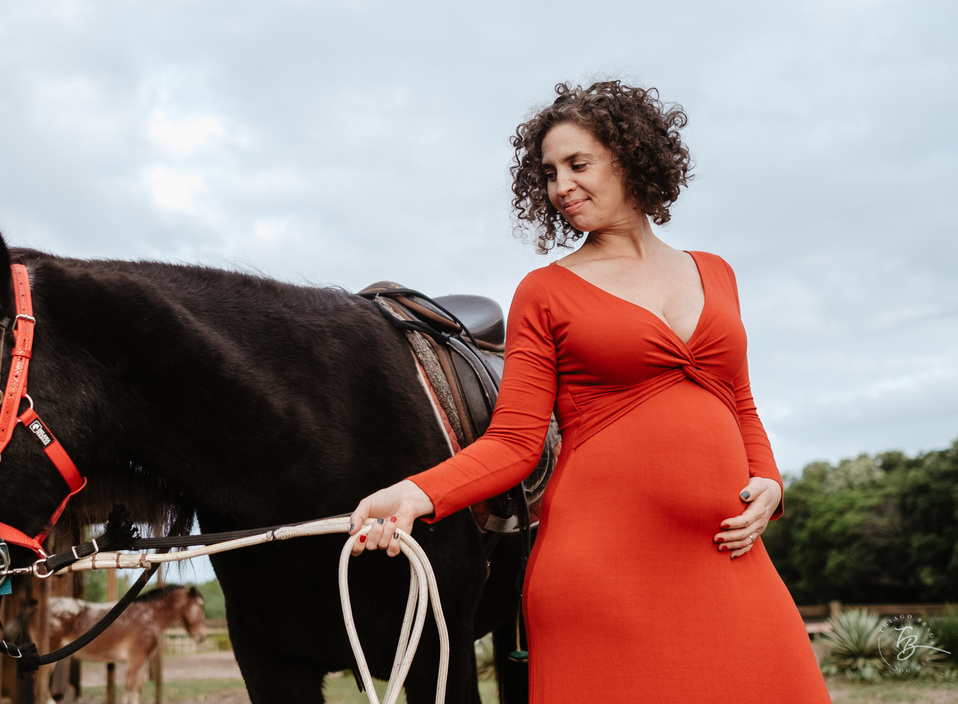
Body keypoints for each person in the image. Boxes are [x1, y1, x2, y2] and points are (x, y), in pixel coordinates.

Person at [350, 81, 830, 702]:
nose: (561, 186)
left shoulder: (717, 271)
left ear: (632, 159)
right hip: (603, 566)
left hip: (723, 552)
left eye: (579, 164)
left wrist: (769, 480)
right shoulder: (545, 291)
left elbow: (738, 398)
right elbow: (516, 442)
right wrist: (418, 493)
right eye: (549, 173)